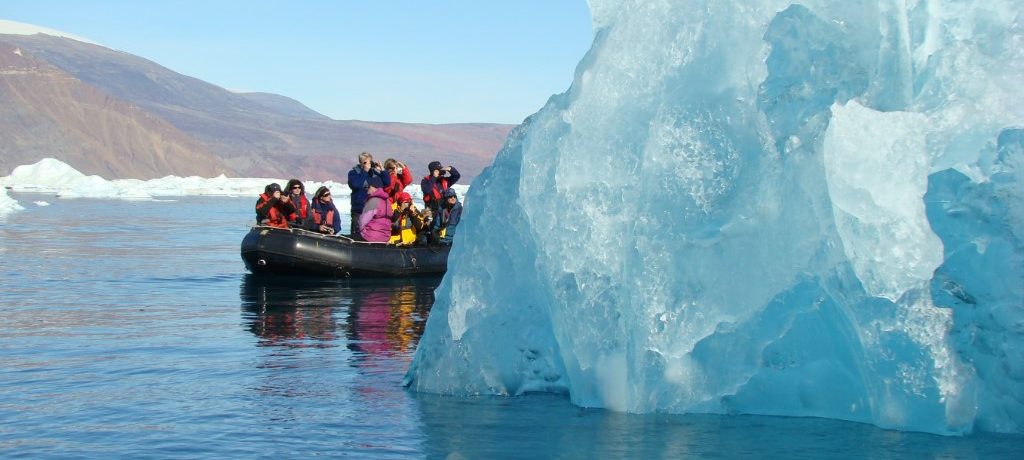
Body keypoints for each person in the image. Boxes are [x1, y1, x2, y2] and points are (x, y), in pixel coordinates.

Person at [347, 152, 391, 235]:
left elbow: (387, 182)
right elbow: (356, 185)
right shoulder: (353, 173)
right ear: (362, 163)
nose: (369, 164)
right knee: (357, 233)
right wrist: (364, 172)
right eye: (367, 162)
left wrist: (382, 170)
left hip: (374, 210)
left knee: (372, 233)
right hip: (360, 209)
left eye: (370, 162)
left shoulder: (374, 173)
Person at [420, 160, 460, 232]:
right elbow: (427, 190)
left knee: (445, 225)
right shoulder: (425, 181)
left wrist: (450, 169)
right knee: (431, 228)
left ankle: (444, 238)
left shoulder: (444, 181)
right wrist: (434, 177)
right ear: (434, 171)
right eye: (439, 170)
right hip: (431, 209)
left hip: (444, 208)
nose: (441, 171)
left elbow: (457, 176)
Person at [358, 176, 393, 242]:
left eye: (368, 187)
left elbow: (362, 221)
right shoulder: (387, 201)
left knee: (353, 236)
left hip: (371, 236)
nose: (367, 190)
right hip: (386, 237)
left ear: (373, 187)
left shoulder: (373, 201)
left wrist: (361, 231)